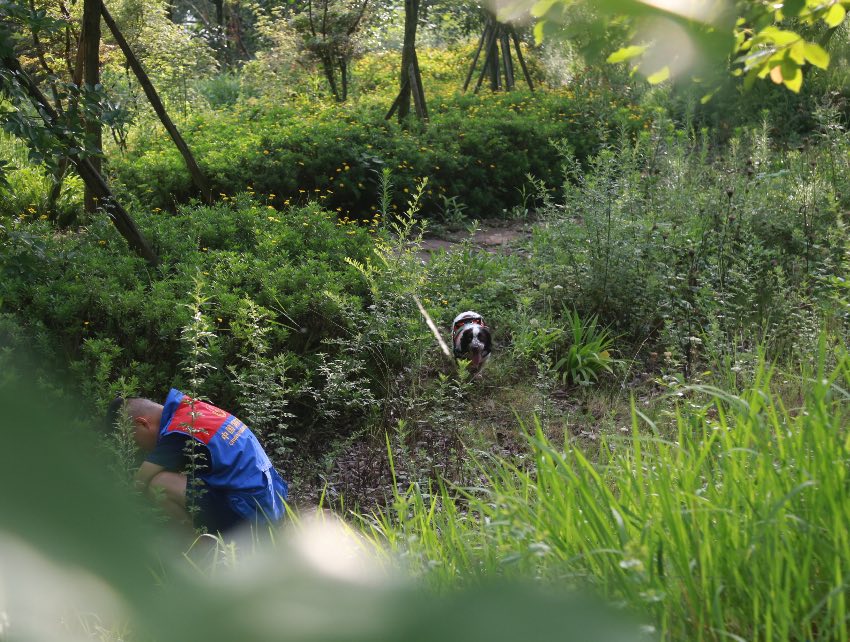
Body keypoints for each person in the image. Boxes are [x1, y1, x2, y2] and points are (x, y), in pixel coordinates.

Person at [107, 388, 288, 534]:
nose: (141, 449)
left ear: (143, 423)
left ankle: (198, 551)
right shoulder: (191, 409)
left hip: (251, 517)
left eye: (135, 441)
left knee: (158, 483)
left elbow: (137, 484)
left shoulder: (178, 432)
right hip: (270, 503)